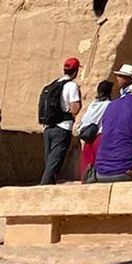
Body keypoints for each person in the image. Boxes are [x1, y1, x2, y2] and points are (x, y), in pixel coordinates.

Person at [38, 56, 83, 185]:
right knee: (54, 162)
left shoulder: (53, 84)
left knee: (49, 162)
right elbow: (75, 108)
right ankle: (43, 188)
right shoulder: (71, 85)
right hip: (62, 128)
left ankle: (48, 186)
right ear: (75, 71)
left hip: (48, 128)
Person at [77, 79, 114, 180]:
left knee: (87, 163)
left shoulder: (93, 104)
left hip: (87, 136)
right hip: (99, 137)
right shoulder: (109, 105)